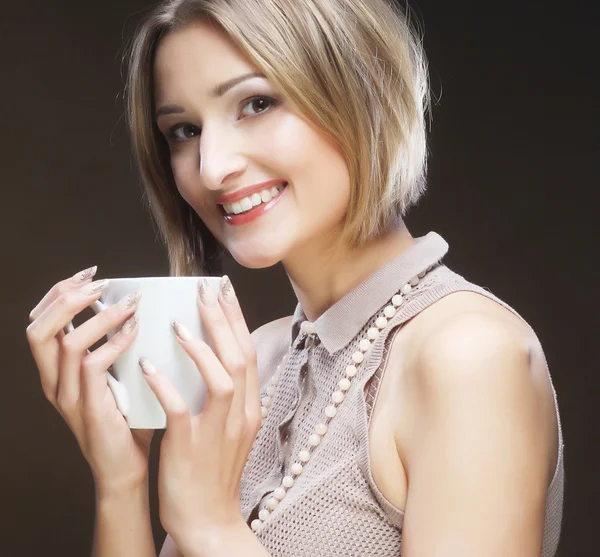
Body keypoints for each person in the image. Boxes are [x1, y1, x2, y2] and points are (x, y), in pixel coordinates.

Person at [26, 1, 564, 556]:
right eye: (183, 130)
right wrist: (121, 481)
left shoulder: (467, 355)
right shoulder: (255, 361)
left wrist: (212, 528)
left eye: (256, 103)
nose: (211, 167)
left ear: (361, 93)